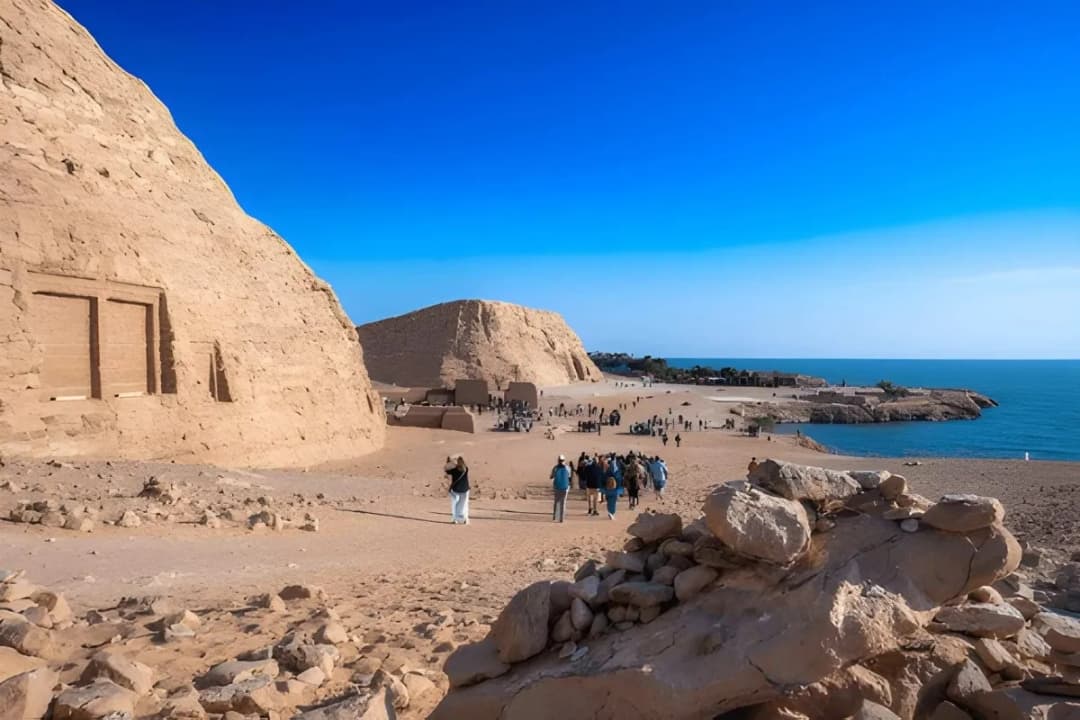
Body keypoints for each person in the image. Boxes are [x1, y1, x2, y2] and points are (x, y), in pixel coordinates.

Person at [445, 456, 470, 525]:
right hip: (465, 489)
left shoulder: (454, 470)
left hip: (456, 489)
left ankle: (455, 519)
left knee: (454, 504)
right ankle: (466, 519)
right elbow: (461, 466)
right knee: (465, 504)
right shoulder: (466, 469)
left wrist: (449, 462)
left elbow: (446, 470)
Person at [550, 454, 571, 523]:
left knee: (557, 502)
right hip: (565, 487)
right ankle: (561, 518)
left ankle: (556, 517)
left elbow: (551, 476)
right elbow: (569, 476)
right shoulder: (567, 468)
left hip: (557, 487)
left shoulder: (555, 468)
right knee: (563, 502)